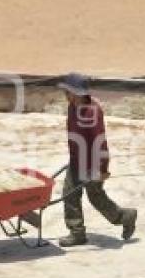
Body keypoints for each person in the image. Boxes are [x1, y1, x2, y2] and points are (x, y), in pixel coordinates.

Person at [56, 73, 137, 247]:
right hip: (76, 160)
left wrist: (102, 169)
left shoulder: (92, 111)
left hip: (92, 163)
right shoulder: (72, 106)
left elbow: (100, 141)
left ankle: (124, 216)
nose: (65, 96)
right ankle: (77, 233)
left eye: (67, 92)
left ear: (76, 93)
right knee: (69, 194)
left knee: (96, 198)